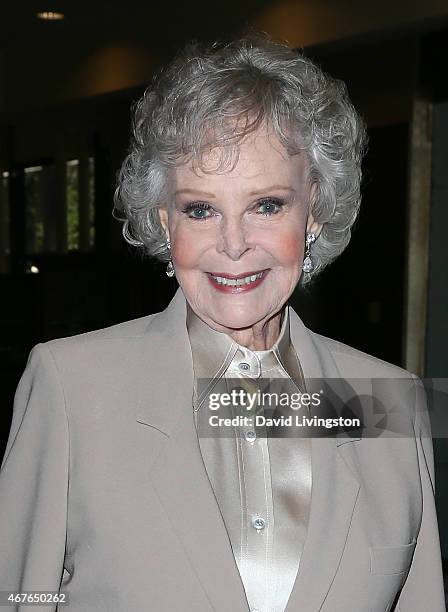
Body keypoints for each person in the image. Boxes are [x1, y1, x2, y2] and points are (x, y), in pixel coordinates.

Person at [0, 34, 445, 612]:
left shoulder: (390, 404)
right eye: (201, 209)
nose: (233, 245)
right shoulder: (71, 387)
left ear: (312, 210)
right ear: (165, 221)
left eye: (267, 205)